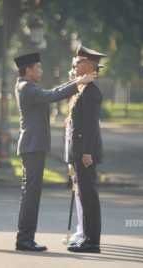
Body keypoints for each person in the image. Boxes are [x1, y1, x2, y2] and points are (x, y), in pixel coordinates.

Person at [14, 52, 95, 252]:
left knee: (31, 194)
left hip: (34, 147)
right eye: (38, 68)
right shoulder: (26, 88)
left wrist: (76, 81)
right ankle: (24, 239)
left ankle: (26, 238)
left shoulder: (29, 86)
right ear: (28, 70)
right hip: (32, 147)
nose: (41, 71)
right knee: (30, 195)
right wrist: (78, 83)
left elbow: (52, 91)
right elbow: (52, 95)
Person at [66, 45, 106, 253]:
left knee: (89, 196)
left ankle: (92, 241)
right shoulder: (84, 89)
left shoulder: (91, 92)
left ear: (89, 65)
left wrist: (87, 152)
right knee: (84, 194)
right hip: (81, 152)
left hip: (86, 153)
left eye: (79, 62)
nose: (75, 65)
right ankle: (88, 238)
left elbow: (90, 126)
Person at [65, 58, 84, 246]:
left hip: (80, 152)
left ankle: (83, 230)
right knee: (77, 191)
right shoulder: (74, 96)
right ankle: (82, 228)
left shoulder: (83, 95)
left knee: (81, 193)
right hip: (72, 153)